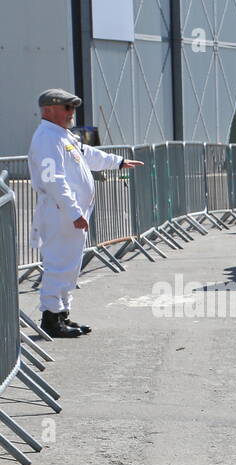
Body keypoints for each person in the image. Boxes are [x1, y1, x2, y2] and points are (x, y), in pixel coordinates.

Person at [27, 88, 144, 338]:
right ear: (48, 110)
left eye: (73, 108)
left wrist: (117, 162)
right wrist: (73, 211)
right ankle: (50, 318)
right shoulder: (47, 138)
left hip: (69, 214)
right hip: (59, 213)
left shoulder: (63, 136)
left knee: (70, 266)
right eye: (67, 108)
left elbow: (86, 155)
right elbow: (53, 180)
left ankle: (62, 314)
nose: (72, 113)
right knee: (58, 265)